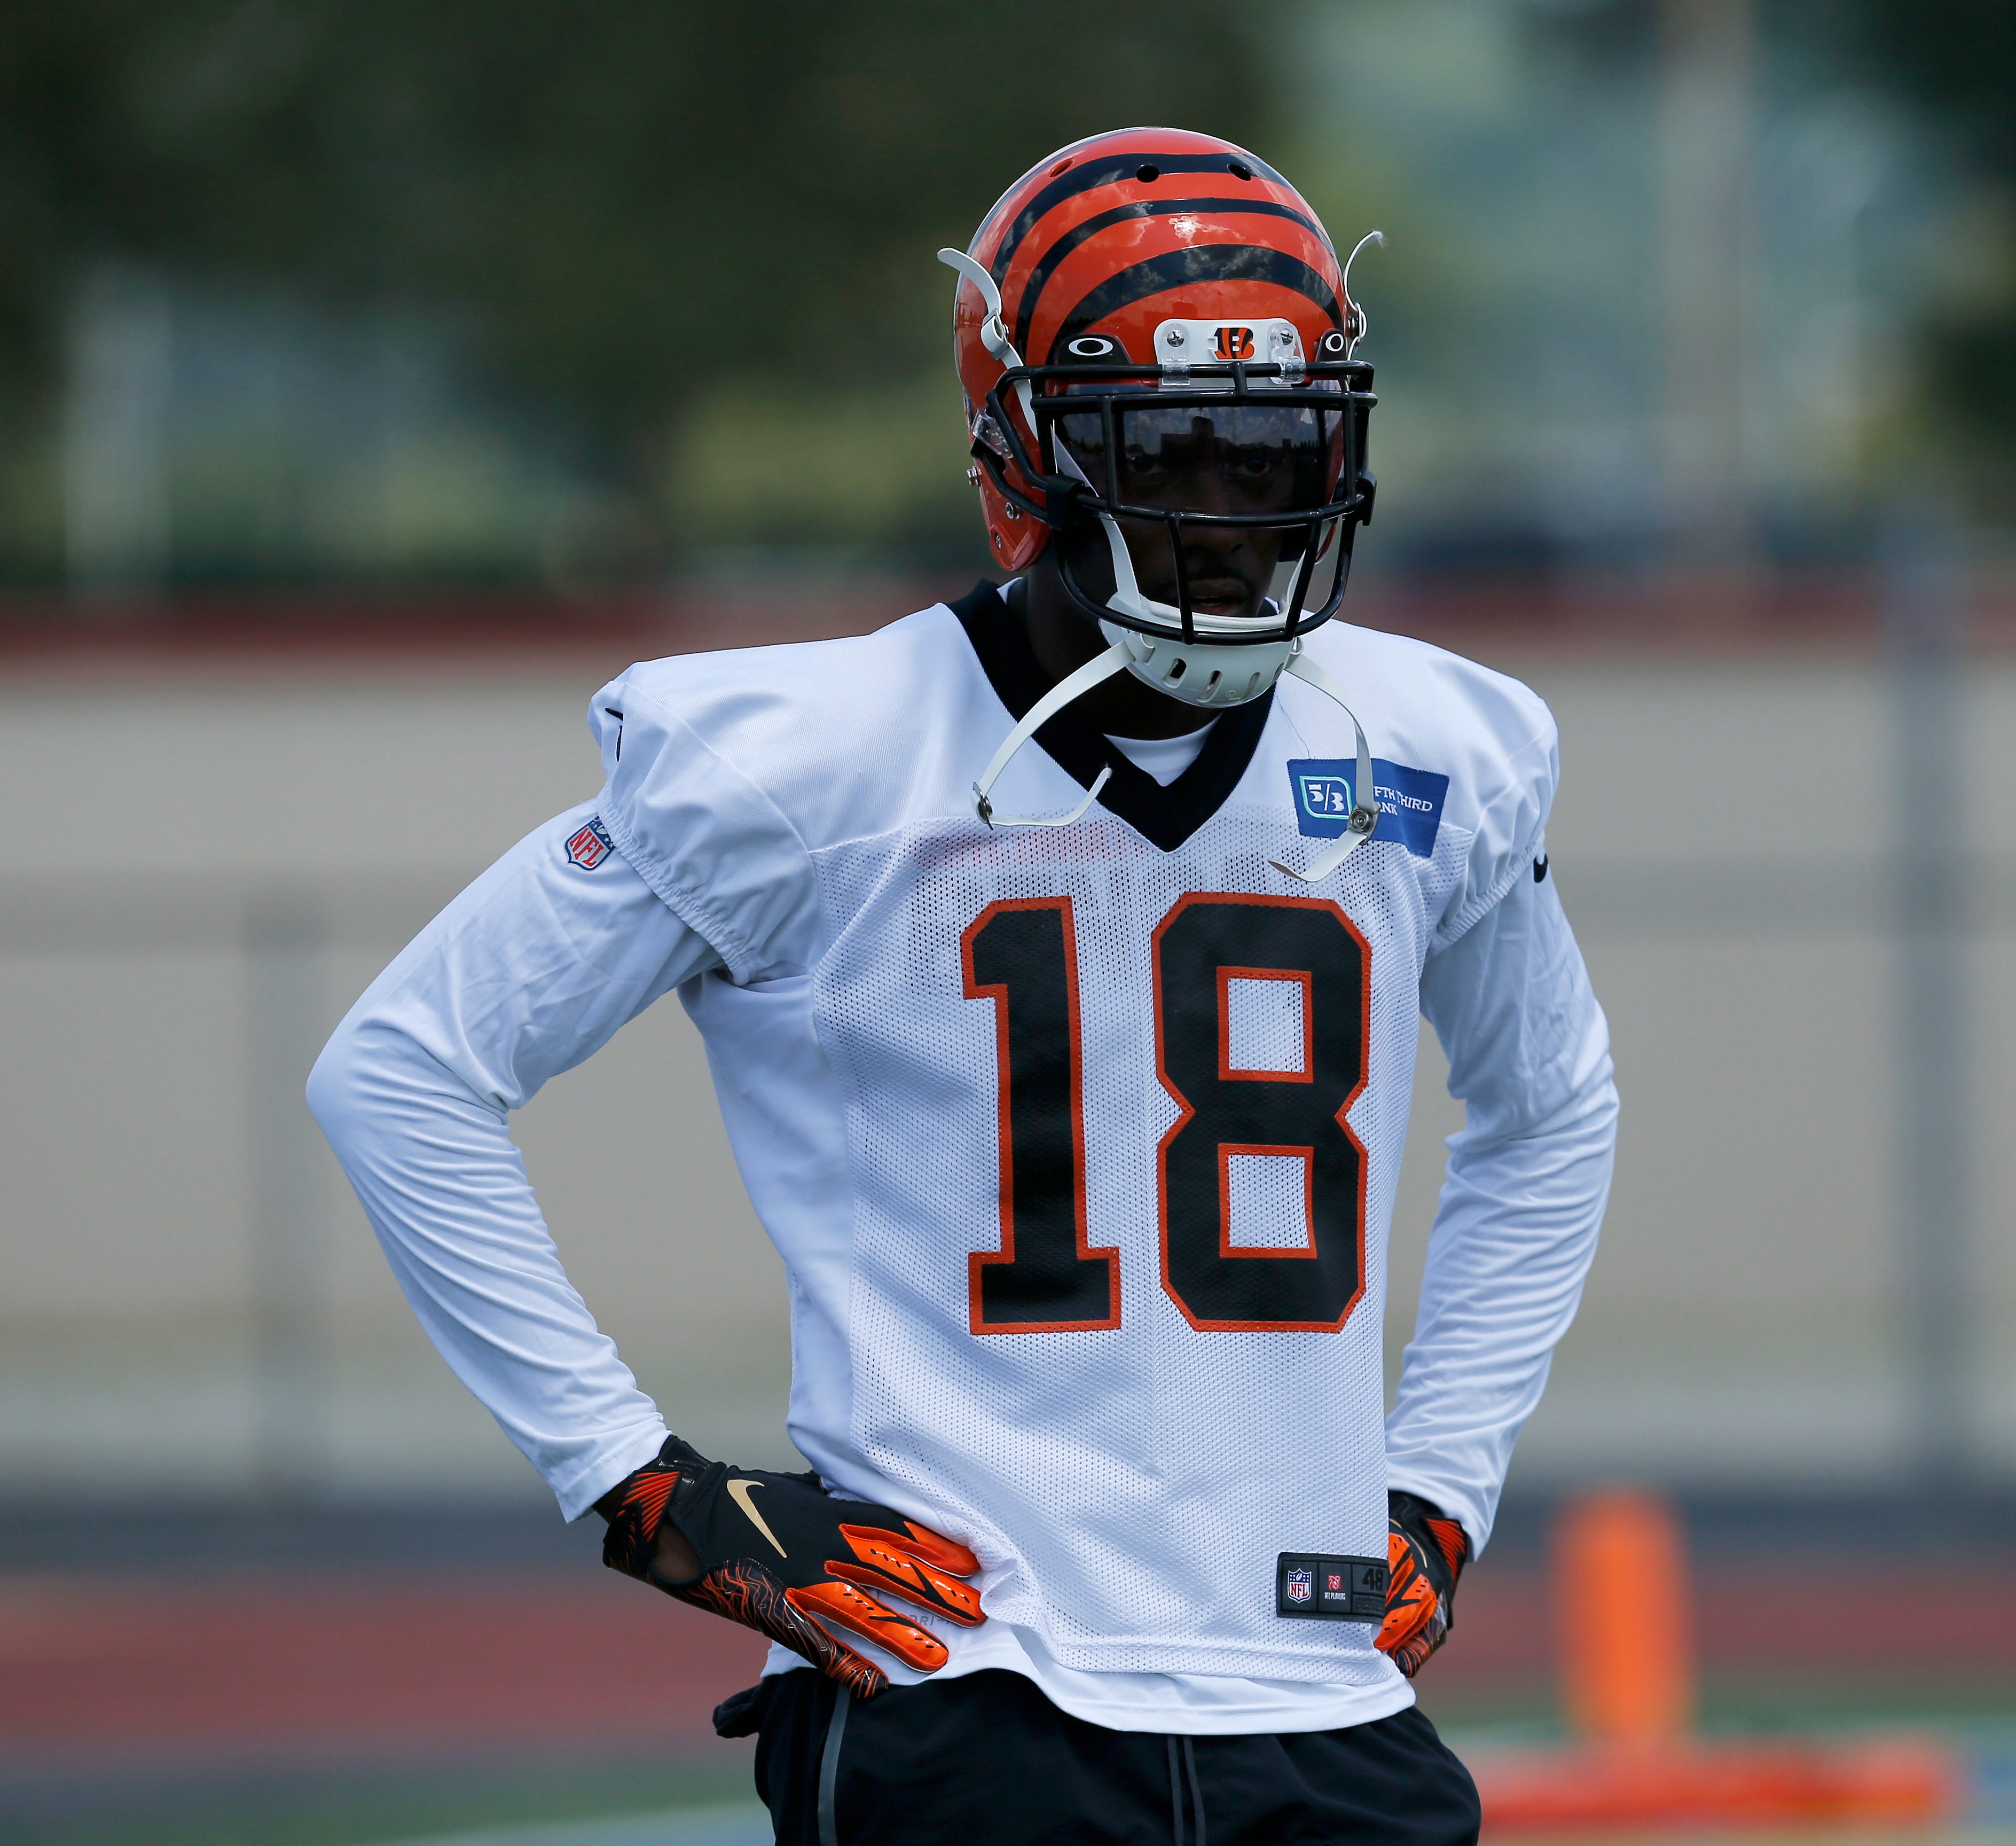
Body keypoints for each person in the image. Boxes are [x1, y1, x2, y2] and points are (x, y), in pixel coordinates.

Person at [309, 126, 1617, 1845]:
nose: (1231, 515)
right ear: (1021, 448)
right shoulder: (819, 758)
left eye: (1274, 449)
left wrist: (1438, 1485)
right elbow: (402, 1071)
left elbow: (1553, 1108)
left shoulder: (1435, 746)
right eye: (1176, 451)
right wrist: (643, 1488)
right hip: (970, 1691)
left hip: (1320, 1695)